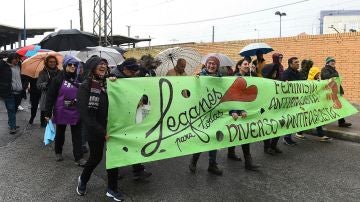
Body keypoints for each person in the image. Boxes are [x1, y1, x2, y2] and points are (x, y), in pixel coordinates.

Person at [76, 56, 124, 201]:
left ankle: (112, 189)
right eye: (100, 64)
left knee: (114, 158)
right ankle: (83, 180)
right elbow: (86, 116)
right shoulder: (85, 86)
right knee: (95, 158)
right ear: (92, 67)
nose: (104, 66)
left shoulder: (109, 83)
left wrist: (115, 82)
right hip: (95, 130)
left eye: (105, 64)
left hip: (113, 127)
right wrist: (103, 132)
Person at [110, 58, 153, 180]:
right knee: (117, 144)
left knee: (135, 141)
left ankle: (137, 169)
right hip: (118, 117)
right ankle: (114, 169)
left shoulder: (129, 77)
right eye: (132, 71)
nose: (135, 73)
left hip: (132, 114)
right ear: (125, 69)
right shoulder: (113, 78)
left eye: (136, 70)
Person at [44, 55, 86, 165]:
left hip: (76, 111)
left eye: (75, 65)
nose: (73, 66)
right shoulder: (58, 78)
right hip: (61, 110)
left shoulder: (80, 78)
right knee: (60, 134)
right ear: (65, 65)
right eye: (70, 64)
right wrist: (47, 112)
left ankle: (79, 158)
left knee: (77, 135)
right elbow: (50, 96)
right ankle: (58, 152)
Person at [189, 56, 223, 175]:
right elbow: (191, 91)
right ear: (206, 64)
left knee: (214, 138)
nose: (211, 65)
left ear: (217, 66)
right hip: (202, 112)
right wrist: (195, 81)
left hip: (215, 113)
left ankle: (212, 164)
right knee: (202, 137)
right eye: (209, 63)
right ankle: (194, 161)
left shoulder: (221, 78)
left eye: (214, 64)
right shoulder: (200, 76)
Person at [228, 59, 260, 171]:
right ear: (238, 66)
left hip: (243, 109)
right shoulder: (235, 78)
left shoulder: (248, 76)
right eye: (245, 64)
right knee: (243, 133)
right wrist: (234, 111)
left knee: (237, 132)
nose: (247, 66)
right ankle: (248, 162)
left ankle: (231, 153)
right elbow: (232, 96)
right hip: (236, 110)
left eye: (248, 64)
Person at [321, 57, 352, 128]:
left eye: (334, 61)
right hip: (329, 91)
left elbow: (337, 82)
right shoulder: (325, 69)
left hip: (334, 91)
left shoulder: (333, 70)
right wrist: (336, 75)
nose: (333, 62)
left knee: (338, 106)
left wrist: (341, 91)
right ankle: (323, 121)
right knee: (327, 107)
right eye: (331, 61)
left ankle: (341, 122)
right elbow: (327, 77)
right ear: (327, 63)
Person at [0, 53, 24, 134]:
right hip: (9, 92)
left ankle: (11, 123)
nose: (17, 60)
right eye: (15, 58)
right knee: (11, 109)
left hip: (19, 92)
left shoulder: (19, 66)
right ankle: (12, 127)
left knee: (14, 109)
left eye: (18, 58)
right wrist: (3, 60)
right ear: (10, 58)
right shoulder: (4, 66)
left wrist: (25, 85)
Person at [307, 66, 333, 142]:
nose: (318, 75)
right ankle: (299, 133)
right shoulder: (308, 82)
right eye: (317, 74)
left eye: (319, 74)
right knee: (306, 119)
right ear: (313, 74)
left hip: (316, 105)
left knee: (317, 119)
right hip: (309, 105)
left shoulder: (318, 81)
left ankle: (321, 135)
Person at [281, 57, 302, 146]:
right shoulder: (286, 73)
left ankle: (289, 137)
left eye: (298, 62)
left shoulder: (298, 73)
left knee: (294, 119)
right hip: (289, 101)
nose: (298, 63)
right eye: (296, 62)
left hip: (296, 100)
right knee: (290, 119)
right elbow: (282, 85)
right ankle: (286, 137)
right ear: (290, 64)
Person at [37, 55, 61, 127]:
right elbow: (38, 85)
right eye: (50, 62)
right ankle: (44, 124)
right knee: (45, 110)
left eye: (54, 62)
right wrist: (47, 84)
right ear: (47, 62)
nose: (52, 63)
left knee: (57, 111)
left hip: (57, 95)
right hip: (46, 95)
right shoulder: (42, 72)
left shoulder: (59, 72)